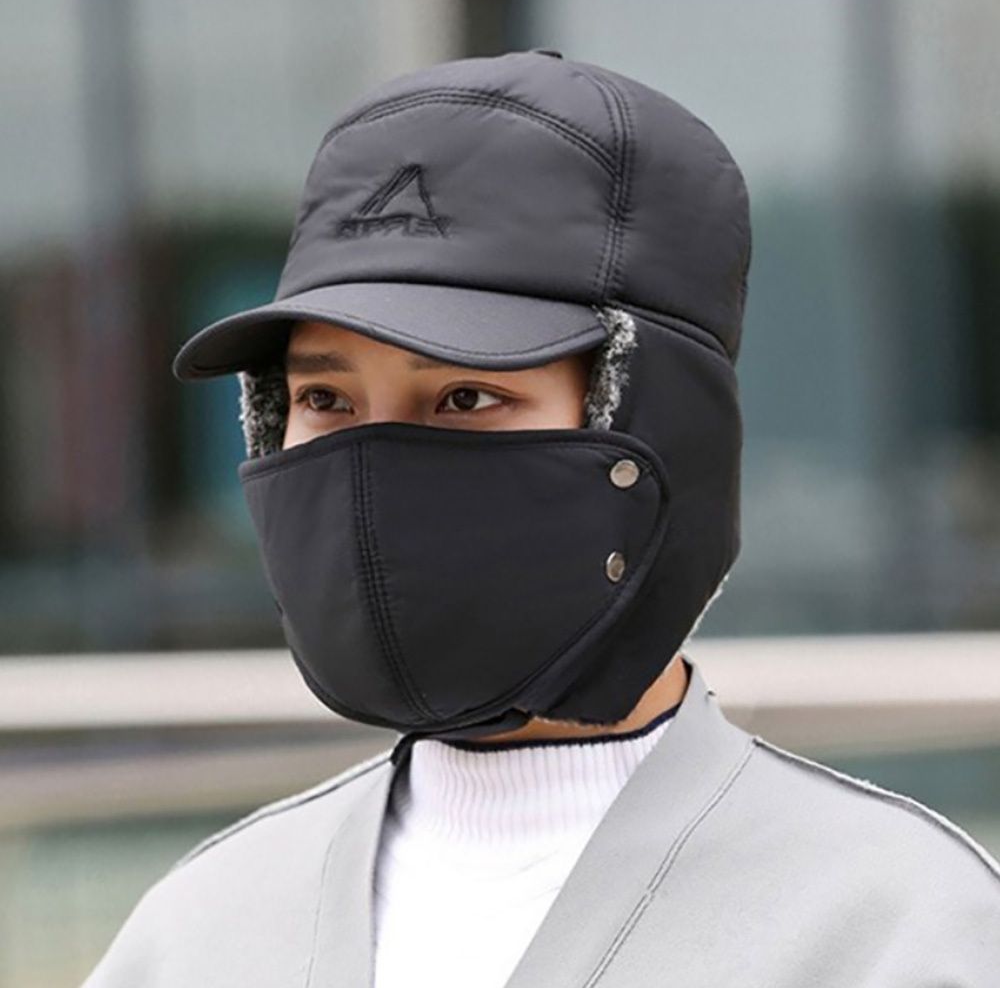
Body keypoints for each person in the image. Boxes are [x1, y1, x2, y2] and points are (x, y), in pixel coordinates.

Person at [83, 50, 999, 987]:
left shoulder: (893, 930)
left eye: (467, 396)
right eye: (325, 398)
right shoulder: (197, 933)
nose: (370, 465)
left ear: (649, 422)